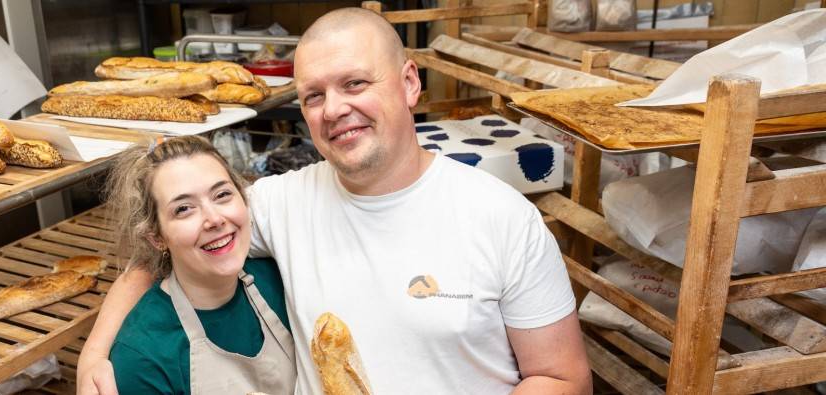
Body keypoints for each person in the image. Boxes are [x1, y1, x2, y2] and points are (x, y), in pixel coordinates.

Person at [79, 7, 591, 394]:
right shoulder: (284, 203)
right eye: (314, 96)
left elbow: (562, 378)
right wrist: (96, 350)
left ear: (410, 83)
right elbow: (173, 241)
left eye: (355, 84)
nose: (335, 110)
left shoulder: (502, 217)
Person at [99, 135, 296, 394]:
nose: (214, 219)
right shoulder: (142, 356)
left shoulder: (279, 280)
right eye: (184, 209)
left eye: (222, 194)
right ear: (157, 238)